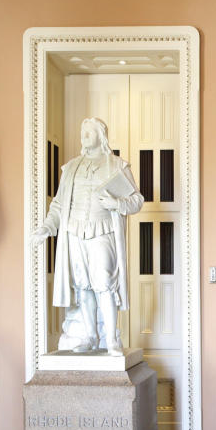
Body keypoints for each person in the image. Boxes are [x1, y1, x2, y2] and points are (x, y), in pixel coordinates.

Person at [32, 117, 144, 355]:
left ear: (100, 135)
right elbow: (59, 206)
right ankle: (91, 337)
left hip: (102, 230)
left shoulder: (117, 165)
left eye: (89, 131)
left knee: (103, 282)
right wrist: (46, 228)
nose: (84, 135)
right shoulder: (71, 167)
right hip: (74, 232)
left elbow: (137, 200)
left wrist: (116, 202)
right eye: (82, 131)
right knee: (83, 286)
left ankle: (111, 339)